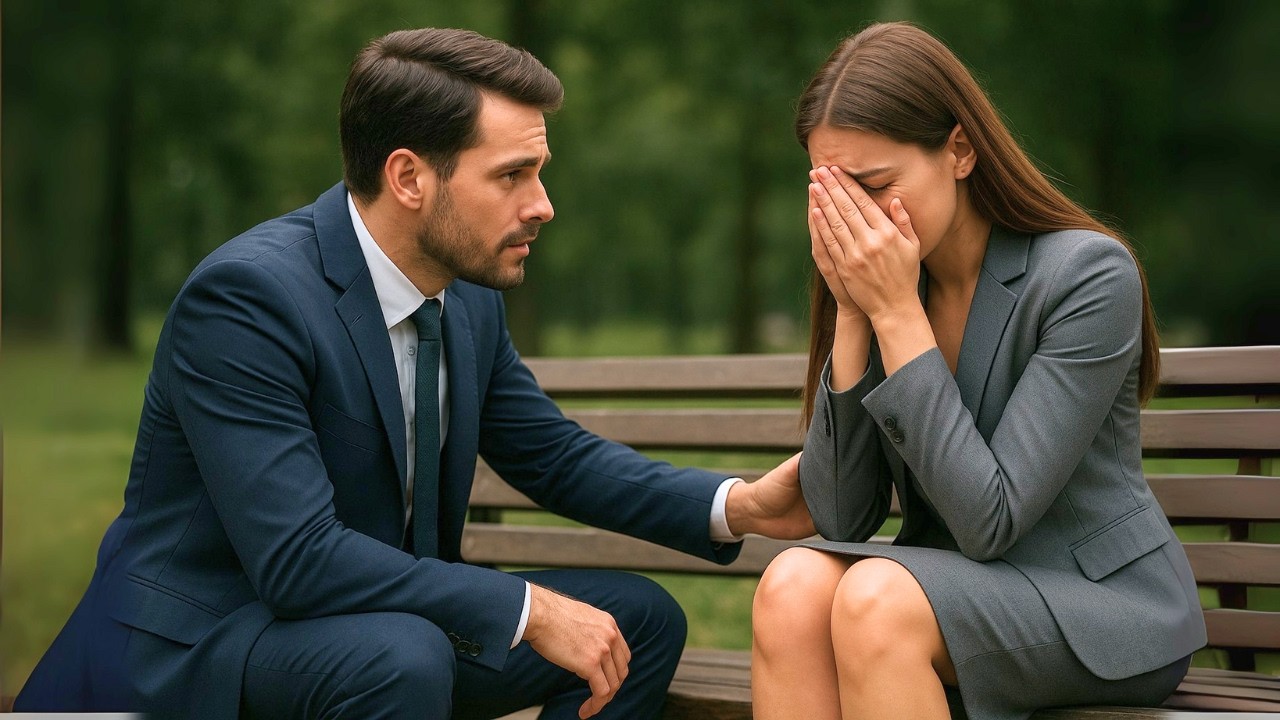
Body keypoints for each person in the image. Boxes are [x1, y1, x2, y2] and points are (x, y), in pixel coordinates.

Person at [15, 28, 813, 720]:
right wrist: (525, 608)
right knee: (402, 659)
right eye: (512, 176)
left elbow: (555, 457)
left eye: (539, 172)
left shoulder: (462, 299)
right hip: (205, 644)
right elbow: (299, 560)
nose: (543, 205)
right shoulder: (248, 301)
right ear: (408, 178)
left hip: (376, 633)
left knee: (636, 621)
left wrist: (736, 506)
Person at [750, 21, 1205, 720]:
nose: (856, 223)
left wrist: (897, 317)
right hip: (948, 590)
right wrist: (851, 315)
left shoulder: (1087, 276)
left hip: (1101, 606)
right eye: (834, 196)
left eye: (874, 186)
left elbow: (989, 522)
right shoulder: (883, 289)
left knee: (875, 602)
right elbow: (842, 516)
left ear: (958, 151)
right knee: (791, 585)